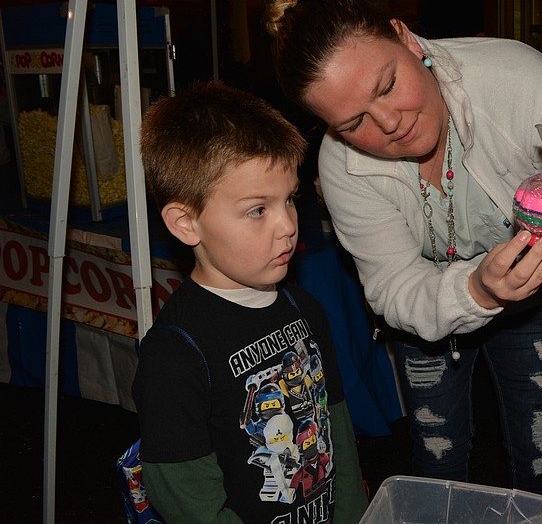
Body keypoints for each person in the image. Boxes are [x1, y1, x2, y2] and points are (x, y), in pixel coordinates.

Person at [264, 0, 542, 500]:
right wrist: (478, 290)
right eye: (353, 123)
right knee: (436, 456)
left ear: (405, 37)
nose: (389, 123)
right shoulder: (342, 166)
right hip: (426, 313)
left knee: (541, 453)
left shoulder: (515, 78)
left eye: (387, 85)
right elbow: (394, 288)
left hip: (535, 300)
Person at [132, 80, 369, 523]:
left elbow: (337, 429)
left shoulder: (305, 310)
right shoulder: (175, 356)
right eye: (258, 209)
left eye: (290, 199)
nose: (288, 225)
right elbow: (190, 502)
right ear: (185, 224)